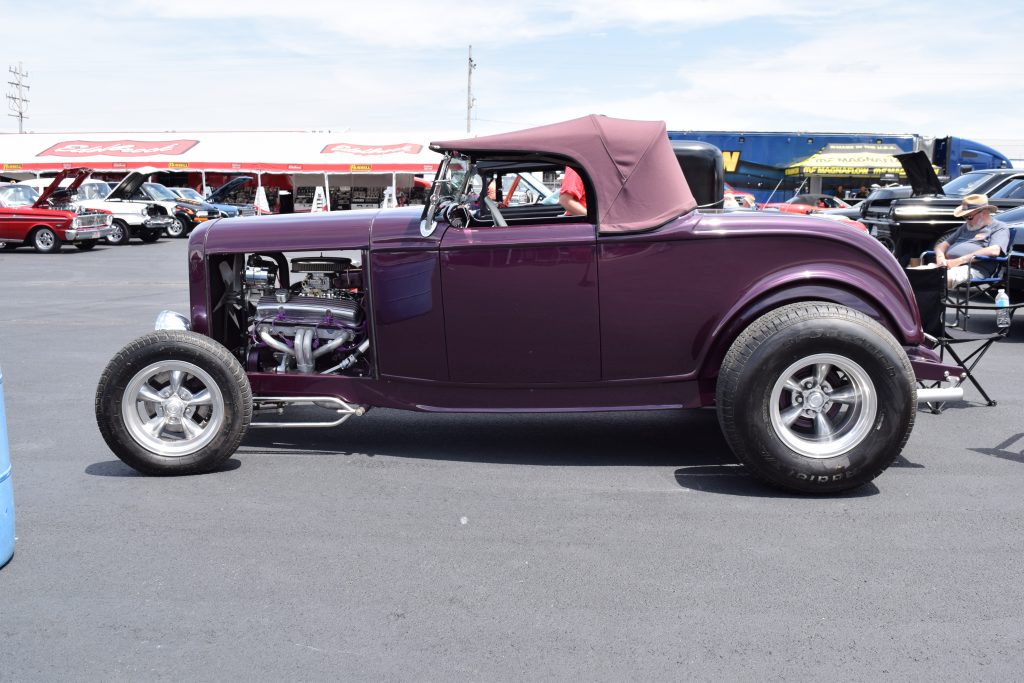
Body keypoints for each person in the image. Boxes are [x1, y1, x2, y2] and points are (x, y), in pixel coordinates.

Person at [934, 193, 1010, 288]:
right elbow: (941, 245)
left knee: (939, 278)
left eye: (969, 217)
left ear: (984, 213)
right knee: (918, 273)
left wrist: (958, 261)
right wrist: (940, 257)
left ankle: (934, 302)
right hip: (949, 266)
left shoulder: (999, 227)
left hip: (974, 269)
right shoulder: (966, 227)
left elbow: (994, 250)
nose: (966, 220)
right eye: (964, 217)